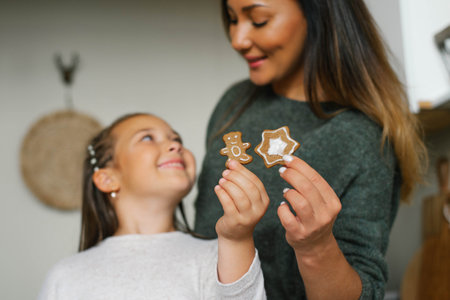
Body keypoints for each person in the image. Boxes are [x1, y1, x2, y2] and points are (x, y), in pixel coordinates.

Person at [194, 0, 427, 299]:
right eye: (232, 19)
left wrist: (316, 247)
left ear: (318, 14)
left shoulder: (362, 138)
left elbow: (365, 290)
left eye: (259, 20)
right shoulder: (235, 102)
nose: (238, 40)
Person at [38, 113, 268, 299]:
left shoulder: (219, 256)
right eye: (147, 138)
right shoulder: (66, 276)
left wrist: (238, 239)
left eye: (177, 139)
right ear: (107, 179)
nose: (175, 146)